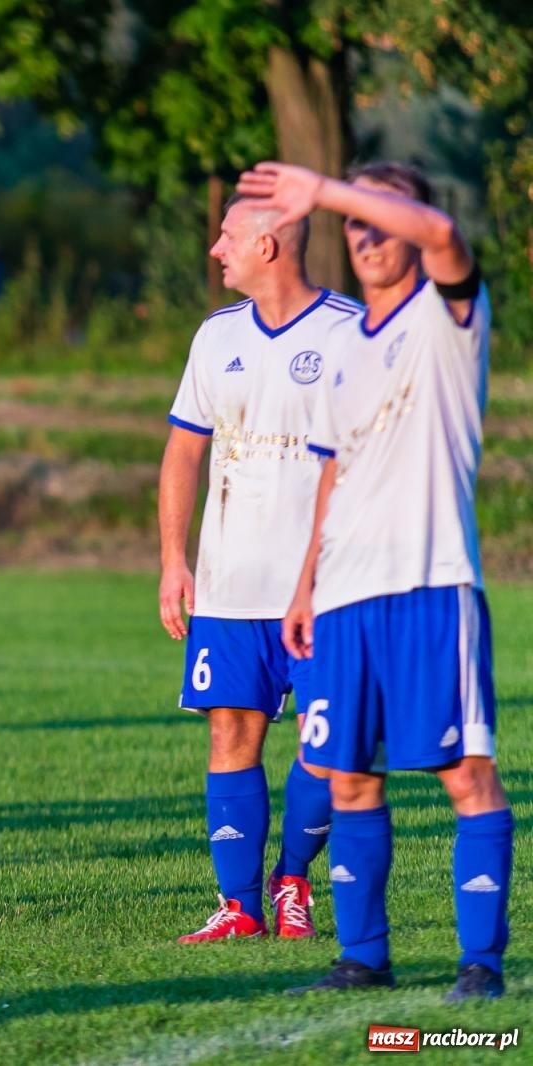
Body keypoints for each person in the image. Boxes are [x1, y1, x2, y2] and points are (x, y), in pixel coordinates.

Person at [243, 161, 513, 1000]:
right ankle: (363, 958)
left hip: (432, 585)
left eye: (379, 222)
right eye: (354, 227)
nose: (364, 239)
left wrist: (324, 190)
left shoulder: (448, 317)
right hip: (343, 599)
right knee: (348, 774)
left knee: (464, 772)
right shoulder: (344, 351)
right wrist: (302, 590)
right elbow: (333, 474)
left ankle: (482, 965)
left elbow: (441, 237)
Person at [160, 195, 358, 943]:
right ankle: (239, 907)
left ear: (270, 244)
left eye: (230, 236)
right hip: (228, 584)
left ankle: (292, 879)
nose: (216, 248)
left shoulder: (348, 333)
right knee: (230, 733)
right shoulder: (216, 337)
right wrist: (173, 560)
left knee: (329, 744)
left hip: (328, 588)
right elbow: (185, 449)